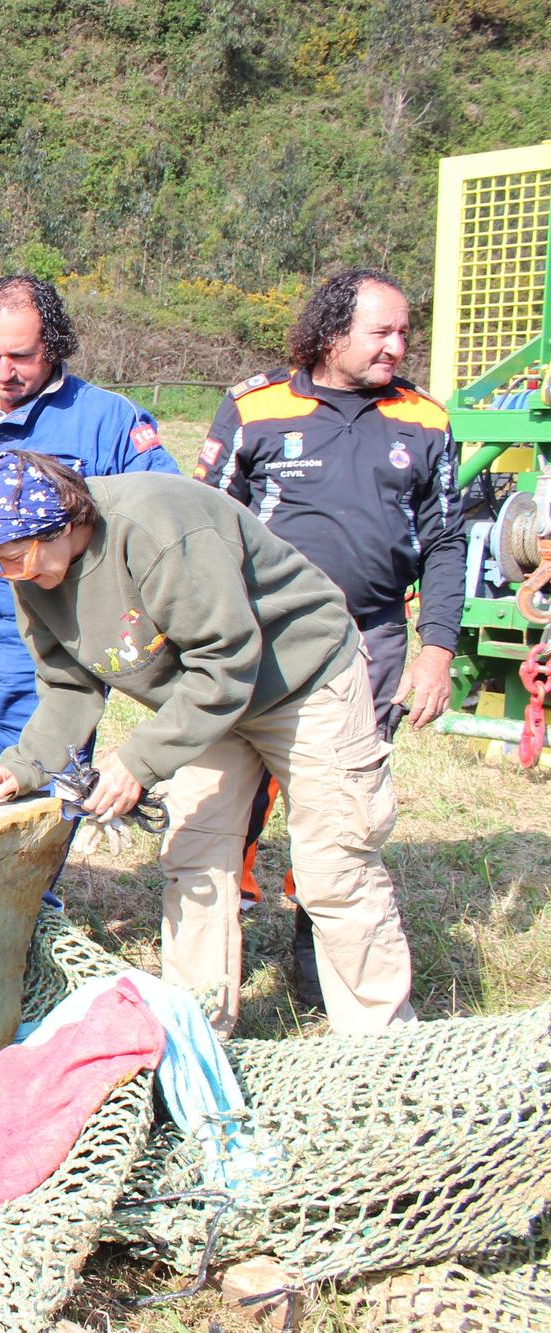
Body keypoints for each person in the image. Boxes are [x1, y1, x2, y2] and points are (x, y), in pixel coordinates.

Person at [0, 450, 417, 1038]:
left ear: (62, 523)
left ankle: (382, 1044)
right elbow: (69, 686)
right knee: (194, 859)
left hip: (300, 680)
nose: (7, 575)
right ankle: (199, 1033)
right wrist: (21, 767)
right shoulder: (34, 572)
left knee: (335, 864)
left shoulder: (159, 528)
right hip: (204, 702)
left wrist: (138, 761)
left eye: (14, 559)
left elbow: (226, 660)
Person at [198, 268, 463, 1003]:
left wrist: (438, 647)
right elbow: (207, 524)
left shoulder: (428, 421)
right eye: (381, 331)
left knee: (343, 805)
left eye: (405, 331)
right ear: (331, 331)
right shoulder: (256, 405)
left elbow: (446, 542)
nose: (397, 346)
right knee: (236, 794)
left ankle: (320, 947)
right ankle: (230, 935)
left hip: (371, 642)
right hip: (261, 640)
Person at [0, 275, 179, 795]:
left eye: (21, 357)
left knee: (42, 785)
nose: (2, 372)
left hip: (58, 638)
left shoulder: (108, 418)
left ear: (52, 347)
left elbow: (161, 515)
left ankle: (37, 880)